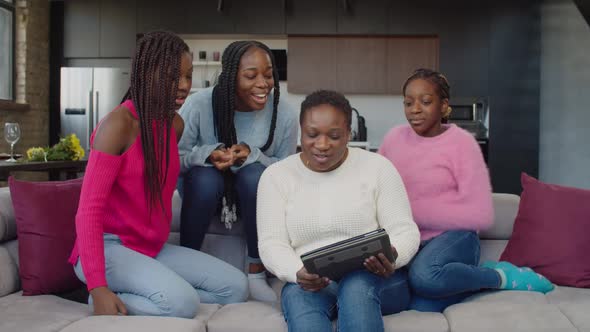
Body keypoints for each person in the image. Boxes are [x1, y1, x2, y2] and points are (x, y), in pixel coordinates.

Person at [68, 31, 248, 318]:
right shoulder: (119, 125)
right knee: (183, 304)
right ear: (146, 73)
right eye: (172, 76)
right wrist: (97, 286)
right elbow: (88, 211)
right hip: (109, 249)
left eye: (187, 76)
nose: (183, 86)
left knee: (236, 287)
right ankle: (103, 299)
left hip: (150, 248)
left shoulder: (173, 125)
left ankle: (144, 293)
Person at [378, 68, 554, 312]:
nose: (415, 109)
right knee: (420, 304)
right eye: (408, 103)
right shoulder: (393, 140)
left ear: (443, 105)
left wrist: (411, 211)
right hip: (408, 239)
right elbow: (378, 188)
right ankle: (448, 283)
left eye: (426, 101)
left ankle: (495, 276)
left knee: (424, 277)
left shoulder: (462, 144)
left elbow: (480, 213)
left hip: (454, 236)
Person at [257, 90, 421, 332]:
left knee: (355, 287)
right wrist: (297, 272)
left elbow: (404, 230)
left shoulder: (378, 167)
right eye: (312, 135)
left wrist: (393, 256)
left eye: (334, 136)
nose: (322, 145)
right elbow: (272, 243)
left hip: (374, 279)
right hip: (311, 283)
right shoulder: (276, 176)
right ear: (301, 131)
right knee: (299, 298)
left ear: (349, 134)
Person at [177, 40, 298, 302]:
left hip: (254, 196)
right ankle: (187, 263)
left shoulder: (284, 113)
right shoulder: (199, 105)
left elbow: (289, 170)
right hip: (204, 193)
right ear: (231, 77)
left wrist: (254, 156)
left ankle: (256, 272)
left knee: (254, 174)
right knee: (205, 178)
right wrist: (207, 154)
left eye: (269, 75)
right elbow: (174, 159)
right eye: (251, 76)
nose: (263, 84)